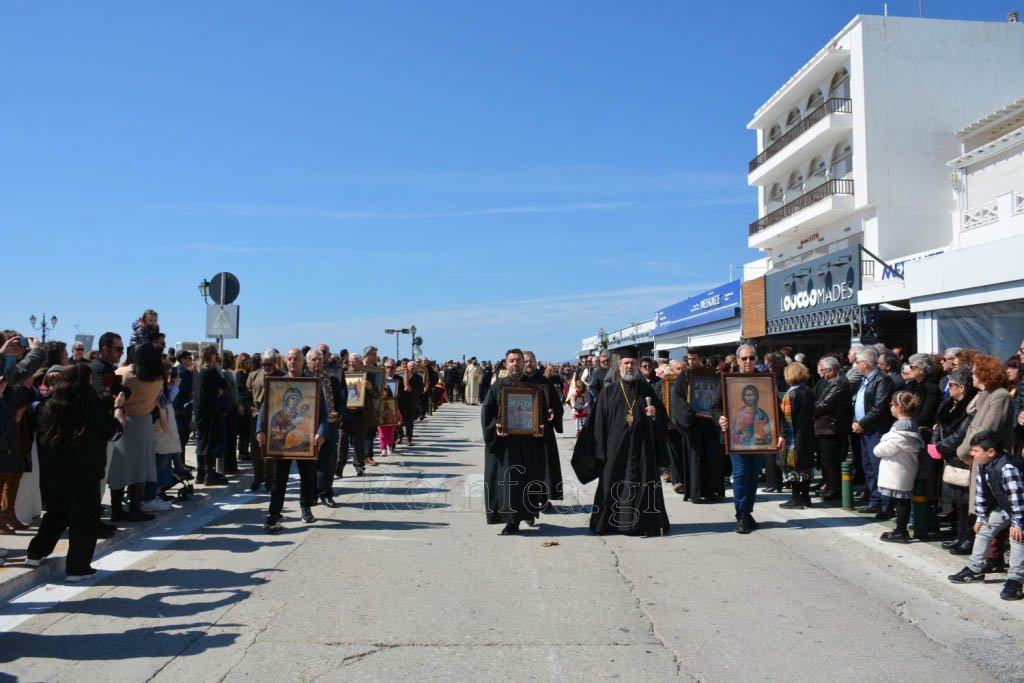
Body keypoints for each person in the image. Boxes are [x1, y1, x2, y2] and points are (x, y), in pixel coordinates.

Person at [24, 365, 126, 580]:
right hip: (86, 473)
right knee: (84, 521)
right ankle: (77, 568)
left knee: (55, 515)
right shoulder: (94, 408)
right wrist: (118, 409)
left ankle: (35, 553)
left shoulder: (49, 407)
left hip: (53, 474)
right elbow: (114, 433)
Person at [584, 347, 670, 536]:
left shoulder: (647, 390)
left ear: (638, 366)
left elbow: (663, 418)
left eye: (633, 363)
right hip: (616, 449)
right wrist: (599, 449)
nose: (629, 366)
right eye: (626, 363)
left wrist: (655, 416)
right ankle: (608, 524)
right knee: (612, 483)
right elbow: (597, 423)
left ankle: (642, 523)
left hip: (642, 448)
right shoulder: (608, 393)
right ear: (620, 365)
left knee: (643, 484)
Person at [947, 430, 1024, 601]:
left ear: (991, 452)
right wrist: (981, 517)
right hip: (1005, 507)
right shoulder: (983, 463)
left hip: (1019, 510)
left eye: (975, 450)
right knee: (983, 529)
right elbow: (981, 493)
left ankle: (1016, 580)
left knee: (1017, 538)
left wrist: (1018, 524)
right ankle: (975, 568)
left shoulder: (1008, 468)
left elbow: (1019, 499)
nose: (971, 454)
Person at [257, 348, 327, 532]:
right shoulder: (277, 383)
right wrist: (260, 430)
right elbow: (265, 409)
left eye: (295, 359)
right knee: (278, 479)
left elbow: (322, 413)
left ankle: (305, 507)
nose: (291, 362)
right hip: (280, 444)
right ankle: (274, 513)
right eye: (289, 359)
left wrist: (321, 432)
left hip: (304, 442)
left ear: (303, 361)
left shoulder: (312, 384)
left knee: (307, 476)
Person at [481, 348, 548, 535]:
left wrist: (540, 425)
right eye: (512, 361)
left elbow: (541, 412)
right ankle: (511, 522)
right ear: (506, 364)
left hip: (528, 443)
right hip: (506, 445)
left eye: (519, 360)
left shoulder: (534, 387)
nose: (516, 364)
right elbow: (487, 412)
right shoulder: (498, 387)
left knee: (528, 480)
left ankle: (528, 513)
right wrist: (496, 426)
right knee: (510, 482)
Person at [714, 344, 772, 534]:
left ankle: (747, 512)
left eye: (752, 358)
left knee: (753, 475)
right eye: (744, 358)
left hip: (759, 440)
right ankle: (741, 516)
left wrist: (780, 435)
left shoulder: (766, 381)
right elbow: (715, 408)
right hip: (735, 440)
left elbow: (774, 411)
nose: (748, 361)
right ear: (737, 360)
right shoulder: (727, 381)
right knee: (740, 475)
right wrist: (720, 418)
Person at [107, 342, 164, 522]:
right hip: (144, 421)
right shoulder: (158, 378)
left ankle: (116, 508)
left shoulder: (123, 374)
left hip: (123, 419)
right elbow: (157, 399)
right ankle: (135, 507)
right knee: (141, 466)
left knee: (119, 465)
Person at [933, 366, 976, 555]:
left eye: (952, 385)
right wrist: (936, 442)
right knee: (957, 501)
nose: (949, 388)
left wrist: (942, 446)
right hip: (949, 457)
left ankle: (968, 539)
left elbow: (962, 434)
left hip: (961, 456)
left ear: (963, 387)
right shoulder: (950, 404)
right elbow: (939, 425)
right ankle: (959, 536)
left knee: (966, 501)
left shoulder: (969, 407)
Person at [874, 391, 923, 543]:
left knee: (901, 501)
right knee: (902, 500)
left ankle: (901, 531)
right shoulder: (912, 425)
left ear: (898, 407)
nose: (890, 406)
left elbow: (885, 448)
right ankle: (900, 529)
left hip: (898, 468)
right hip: (904, 467)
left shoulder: (900, 428)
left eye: (892, 404)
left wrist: (880, 445)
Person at [852, 347, 896, 515]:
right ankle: (874, 500)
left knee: (879, 467)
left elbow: (879, 407)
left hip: (876, 430)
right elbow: (860, 403)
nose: (856, 366)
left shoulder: (882, 380)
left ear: (865, 363)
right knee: (868, 466)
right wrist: (856, 421)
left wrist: (861, 422)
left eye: (857, 362)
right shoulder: (865, 380)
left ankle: (886, 504)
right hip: (864, 429)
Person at [523, 350, 563, 511]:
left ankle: (544, 499)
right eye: (525, 361)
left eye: (530, 361)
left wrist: (554, 411)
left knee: (545, 466)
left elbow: (557, 405)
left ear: (535, 362)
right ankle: (526, 500)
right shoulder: (518, 382)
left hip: (544, 431)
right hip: (523, 433)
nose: (528, 364)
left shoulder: (544, 382)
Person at [308, 347, 345, 507]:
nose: (317, 362)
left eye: (320, 359)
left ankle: (326, 493)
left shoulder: (332, 379)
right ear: (307, 362)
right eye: (314, 359)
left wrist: (338, 413)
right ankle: (311, 495)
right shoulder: (303, 378)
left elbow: (341, 401)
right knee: (309, 465)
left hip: (329, 425)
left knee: (329, 462)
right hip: (307, 427)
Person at [813, 356, 851, 501]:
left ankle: (834, 489)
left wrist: (808, 409)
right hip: (827, 427)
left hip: (832, 428)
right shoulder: (833, 381)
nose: (821, 374)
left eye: (823, 371)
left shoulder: (839, 383)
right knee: (826, 460)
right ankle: (829, 486)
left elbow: (824, 404)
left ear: (831, 370)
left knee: (831, 461)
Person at [780, 363, 816, 510]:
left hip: (794, 436)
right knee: (806, 467)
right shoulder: (808, 390)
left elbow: (787, 417)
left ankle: (795, 498)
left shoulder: (791, 394)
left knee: (793, 467)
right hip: (808, 434)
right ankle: (806, 497)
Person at [193, 346, 229, 486]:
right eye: (215, 354)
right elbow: (222, 384)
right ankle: (209, 473)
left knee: (202, 441)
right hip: (211, 411)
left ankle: (200, 472)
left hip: (199, 410)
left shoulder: (197, 371)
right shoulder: (210, 371)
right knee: (210, 442)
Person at [246, 348, 280, 491]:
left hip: (275, 418)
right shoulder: (253, 376)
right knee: (256, 450)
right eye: (263, 364)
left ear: (275, 363)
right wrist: (252, 410)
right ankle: (257, 477)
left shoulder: (282, 376)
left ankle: (270, 480)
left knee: (272, 451)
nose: (266, 367)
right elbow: (247, 396)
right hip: (257, 416)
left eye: (269, 365)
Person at [399, 360, 424, 446]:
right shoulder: (401, 376)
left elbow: (420, 390)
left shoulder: (418, 378)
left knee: (410, 422)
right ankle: (400, 435)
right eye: (410, 367)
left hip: (412, 402)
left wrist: (411, 389)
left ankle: (408, 438)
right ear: (407, 367)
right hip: (401, 402)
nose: (412, 369)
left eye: (414, 367)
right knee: (400, 421)